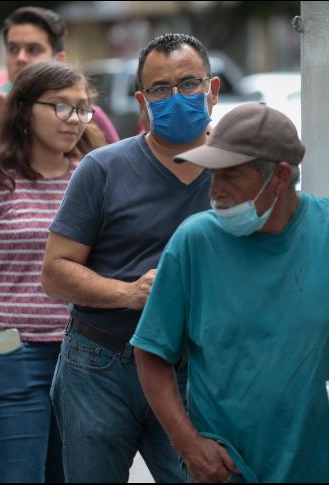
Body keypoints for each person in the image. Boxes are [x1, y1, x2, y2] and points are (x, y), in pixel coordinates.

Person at [130, 102, 329, 483]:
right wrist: (187, 444)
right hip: (226, 470)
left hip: (322, 469)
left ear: (280, 177)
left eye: (229, 176)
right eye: (211, 175)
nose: (214, 191)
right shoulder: (194, 242)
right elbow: (151, 351)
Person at [41, 33, 221, 482]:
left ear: (212, 90)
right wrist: (130, 293)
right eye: (160, 89)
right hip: (101, 364)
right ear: (143, 101)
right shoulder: (102, 168)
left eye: (188, 84)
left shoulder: (236, 171)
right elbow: (55, 272)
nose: (175, 97)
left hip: (192, 371)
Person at [0, 61, 105, 483]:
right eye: (61, 106)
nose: (74, 119)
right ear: (23, 109)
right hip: (12, 352)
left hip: (82, 355)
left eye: (83, 108)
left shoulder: (91, 175)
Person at [0, 5, 119, 311]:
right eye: (13, 49)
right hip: (3, 325)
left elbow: (118, 202)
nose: (20, 58)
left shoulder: (88, 123)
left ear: (59, 59)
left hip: (78, 327)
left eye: (33, 49)